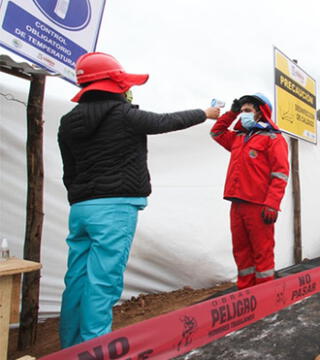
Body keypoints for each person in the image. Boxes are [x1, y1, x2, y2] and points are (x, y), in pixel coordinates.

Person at [57, 52, 221, 348]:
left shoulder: (68, 122)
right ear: (114, 83)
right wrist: (205, 114)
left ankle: (69, 348)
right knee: (103, 283)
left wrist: (83, 196)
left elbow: (69, 171)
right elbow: (165, 122)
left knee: (77, 280)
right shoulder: (123, 115)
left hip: (80, 209)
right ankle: (94, 348)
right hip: (115, 208)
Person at [210, 93, 289, 289]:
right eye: (242, 111)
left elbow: (280, 174)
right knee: (241, 250)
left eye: (247, 111)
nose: (242, 114)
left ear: (260, 114)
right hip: (237, 204)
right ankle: (245, 292)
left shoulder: (274, 139)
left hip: (259, 206)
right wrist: (231, 112)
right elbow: (216, 132)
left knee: (262, 251)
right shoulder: (238, 137)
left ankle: (264, 295)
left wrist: (272, 204)